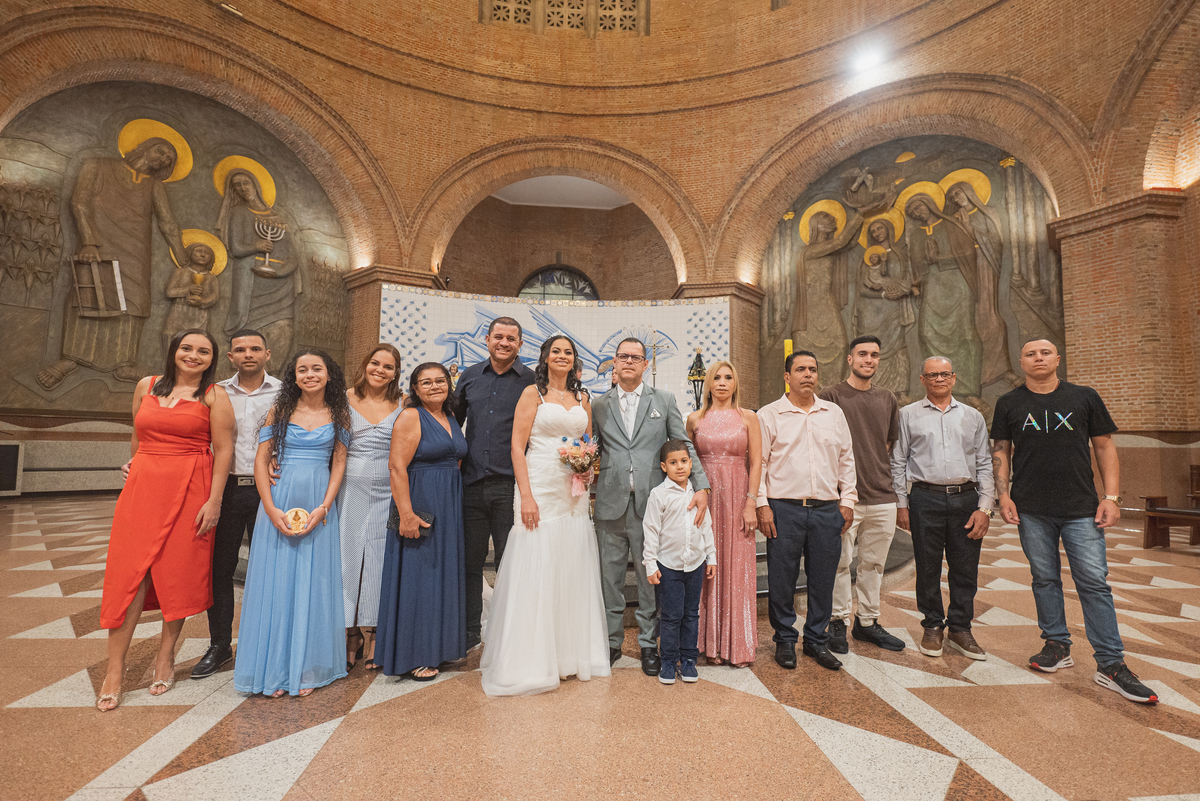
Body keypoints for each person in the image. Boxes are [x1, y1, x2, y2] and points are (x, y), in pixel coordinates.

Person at [991, 340, 1158, 704]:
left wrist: (1111, 498)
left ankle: (1111, 664)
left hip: (1081, 507)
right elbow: (1001, 450)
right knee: (1045, 579)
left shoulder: (1083, 397)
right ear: (1021, 362)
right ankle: (1056, 645)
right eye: (1031, 354)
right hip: (1031, 509)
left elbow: (1104, 446)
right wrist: (1003, 495)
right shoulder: (1009, 403)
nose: (1038, 358)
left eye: (1045, 352)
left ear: (1057, 359)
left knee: (1094, 583)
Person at [96, 329, 235, 710]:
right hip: (142, 491)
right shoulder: (147, 385)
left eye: (203, 351)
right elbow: (138, 435)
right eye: (187, 348)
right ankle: (115, 669)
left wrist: (214, 501)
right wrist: (134, 463)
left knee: (175, 573)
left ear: (212, 358)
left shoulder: (214, 395)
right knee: (130, 573)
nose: (193, 356)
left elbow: (223, 451)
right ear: (174, 351)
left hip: (191, 488)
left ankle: (165, 655)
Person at [480, 336, 611, 696]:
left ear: (573, 360)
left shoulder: (583, 397)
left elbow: (587, 442)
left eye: (568, 352)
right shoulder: (531, 395)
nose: (562, 356)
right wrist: (526, 496)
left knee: (570, 562)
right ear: (545, 357)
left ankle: (568, 656)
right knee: (537, 559)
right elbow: (516, 447)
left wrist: (587, 470)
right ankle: (533, 658)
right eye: (556, 351)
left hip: (573, 490)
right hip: (539, 484)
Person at [233, 349, 351, 697]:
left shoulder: (340, 413)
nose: (310, 374)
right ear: (294, 376)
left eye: (317, 369)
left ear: (329, 375)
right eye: (303, 369)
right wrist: (269, 509)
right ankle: (275, 668)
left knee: (315, 583)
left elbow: (340, 463)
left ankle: (306, 667)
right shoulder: (280, 410)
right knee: (277, 583)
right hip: (279, 500)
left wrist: (324, 507)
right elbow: (261, 459)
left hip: (319, 502)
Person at [593, 337, 710, 676]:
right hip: (611, 504)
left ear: (646, 365)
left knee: (649, 580)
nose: (629, 361)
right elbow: (592, 448)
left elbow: (682, 443)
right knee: (609, 580)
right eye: (622, 357)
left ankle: (647, 644)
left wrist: (700, 485)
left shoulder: (664, 400)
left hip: (652, 507)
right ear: (614, 363)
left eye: (636, 357)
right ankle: (612, 642)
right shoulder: (599, 405)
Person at [38, 137, 187, 390]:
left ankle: (125, 363)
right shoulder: (97, 165)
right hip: (99, 242)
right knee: (87, 294)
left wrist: (182, 259)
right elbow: (79, 201)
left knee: (134, 299)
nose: (163, 158)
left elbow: (167, 222)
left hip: (136, 249)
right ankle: (68, 359)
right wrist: (89, 241)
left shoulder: (153, 185)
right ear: (144, 145)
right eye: (161, 150)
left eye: (168, 159)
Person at [757, 351, 856, 672]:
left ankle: (816, 640)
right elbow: (759, 463)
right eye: (800, 369)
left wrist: (848, 501)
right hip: (784, 508)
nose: (808, 375)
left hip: (827, 509)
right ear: (787, 376)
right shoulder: (770, 414)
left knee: (823, 578)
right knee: (782, 578)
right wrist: (761, 504)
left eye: (813, 369)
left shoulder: (833, 413)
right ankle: (785, 639)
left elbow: (846, 459)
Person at [191, 329, 281, 679]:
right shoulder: (214, 392)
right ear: (229, 357)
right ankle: (219, 645)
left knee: (269, 568)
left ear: (267, 354)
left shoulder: (284, 392)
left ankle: (267, 641)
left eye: (255, 349)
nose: (248, 355)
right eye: (240, 350)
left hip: (268, 489)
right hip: (224, 489)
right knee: (220, 568)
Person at [892, 357, 994, 660]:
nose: (939, 379)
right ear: (922, 380)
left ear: (954, 377)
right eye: (932, 375)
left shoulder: (972, 416)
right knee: (927, 566)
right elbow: (898, 461)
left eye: (945, 374)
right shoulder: (907, 415)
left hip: (966, 499)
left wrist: (985, 507)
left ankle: (961, 628)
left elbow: (985, 463)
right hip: (925, 497)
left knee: (965, 567)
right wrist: (902, 504)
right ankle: (933, 625)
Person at [376, 362, 468, 681]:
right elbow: (396, 467)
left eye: (439, 381)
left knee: (439, 575)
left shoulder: (450, 416)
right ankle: (414, 654)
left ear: (448, 385)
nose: (433, 387)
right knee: (419, 577)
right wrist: (406, 514)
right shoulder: (411, 416)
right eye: (425, 382)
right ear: (414, 388)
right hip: (421, 501)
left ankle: (438, 647)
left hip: (448, 503)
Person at [818, 336, 905, 654]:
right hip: (844, 498)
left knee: (873, 565)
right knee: (840, 563)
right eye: (863, 354)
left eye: (875, 355)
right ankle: (838, 621)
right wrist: (842, 490)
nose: (869, 359)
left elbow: (887, 445)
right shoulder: (831, 396)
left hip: (882, 496)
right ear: (850, 359)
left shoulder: (887, 398)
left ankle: (867, 622)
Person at [454, 317, 535, 652]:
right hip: (470, 483)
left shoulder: (532, 382)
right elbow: (451, 423)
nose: (504, 342)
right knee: (470, 563)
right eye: (498, 337)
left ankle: (505, 630)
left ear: (520, 344)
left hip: (509, 485)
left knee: (509, 562)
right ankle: (471, 631)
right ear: (487, 340)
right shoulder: (470, 377)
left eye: (511, 338)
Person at [685, 360, 761, 667]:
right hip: (705, 497)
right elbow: (687, 462)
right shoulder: (694, 419)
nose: (722, 382)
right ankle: (708, 644)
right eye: (717, 377)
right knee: (704, 565)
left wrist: (751, 502)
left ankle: (736, 645)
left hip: (738, 495)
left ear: (735, 383)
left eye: (728, 377)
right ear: (708, 383)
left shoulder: (748, 417)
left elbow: (756, 462)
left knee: (737, 566)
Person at [339, 344, 403, 672]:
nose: (380, 370)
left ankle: (377, 632)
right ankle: (350, 633)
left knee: (380, 559)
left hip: (387, 489)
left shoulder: (402, 403)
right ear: (365, 365)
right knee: (347, 559)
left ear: (396, 372)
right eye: (375, 363)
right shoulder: (343, 398)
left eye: (388, 366)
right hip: (349, 486)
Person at [644, 440, 717, 685]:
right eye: (673, 463)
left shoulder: (697, 494)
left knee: (691, 615)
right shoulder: (659, 494)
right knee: (671, 616)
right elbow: (651, 530)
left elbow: (705, 526)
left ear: (691, 463)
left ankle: (688, 661)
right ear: (664, 466)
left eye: (684, 461)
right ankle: (668, 661)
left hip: (695, 564)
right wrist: (650, 564)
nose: (680, 467)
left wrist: (711, 556)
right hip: (669, 565)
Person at [162, 243, 220, 351]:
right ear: (189, 254)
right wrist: (187, 289)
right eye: (198, 251)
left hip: (200, 314)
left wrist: (202, 301)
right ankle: (169, 365)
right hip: (178, 312)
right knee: (172, 337)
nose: (203, 255)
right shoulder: (180, 272)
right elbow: (169, 292)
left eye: (206, 253)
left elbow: (214, 297)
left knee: (198, 341)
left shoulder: (212, 278)